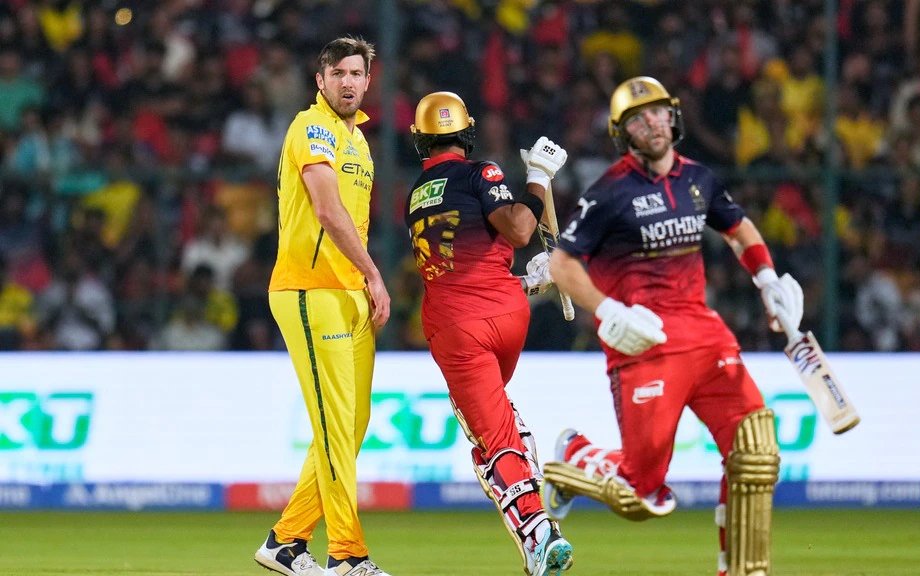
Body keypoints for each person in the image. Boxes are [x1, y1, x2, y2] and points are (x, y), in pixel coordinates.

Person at [543, 76, 804, 576]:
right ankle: (574, 456)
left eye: (658, 112)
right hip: (644, 342)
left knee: (755, 452)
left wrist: (767, 278)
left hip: (706, 337)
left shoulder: (698, 179)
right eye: (638, 119)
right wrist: (608, 311)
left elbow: (738, 228)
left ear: (673, 116)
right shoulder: (610, 191)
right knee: (639, 496)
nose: (652, 123)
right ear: (623, 133)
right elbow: (562, 265)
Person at [404, 91, 574, 576]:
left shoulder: (416, 196)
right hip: (508, 314)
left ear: (420, 140)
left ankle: (539, 533)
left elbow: (518, 230)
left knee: (493, 441)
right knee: (502, 424)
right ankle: (537, 507)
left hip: (457, 329)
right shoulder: (480, 173)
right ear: (467, 132)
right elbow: (493, 259)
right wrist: (532, 280)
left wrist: (537, 178)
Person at [253, 37, 392, 576]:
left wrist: (363, 282)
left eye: (357, 73)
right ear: (321, 81)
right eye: (338, 74)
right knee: (336, 427)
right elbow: (329, 211)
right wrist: (375, 274)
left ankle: (286, 541)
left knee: (351, 426)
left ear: (368, 81)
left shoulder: (359, 141)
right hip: (310, 290)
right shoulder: (311, 127)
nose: (348, 82)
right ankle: (347, 555)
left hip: (349, 293)